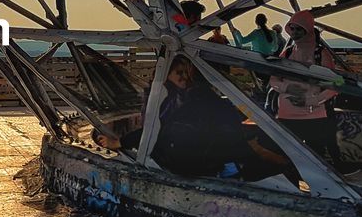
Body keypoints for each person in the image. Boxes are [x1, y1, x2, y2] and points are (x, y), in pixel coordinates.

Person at [97, 56, 289, 180]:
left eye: (185, 73)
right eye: (179, 73)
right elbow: (159, 128)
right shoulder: (173, 97)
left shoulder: (186, 98)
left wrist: (121, 142)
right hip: (199, 161)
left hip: (196, 161)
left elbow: (161, 129)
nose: (184, 77)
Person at [268, 11, 346, 168]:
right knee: (286, 154)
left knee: (316, 155)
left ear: (307, 30)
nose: (295, 32)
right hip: (288, 113)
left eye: (299, 29)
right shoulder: (288, 52)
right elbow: (273, 80)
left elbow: (335, 84)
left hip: (314, 114)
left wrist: (310, 100)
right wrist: (288, 87)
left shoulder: (321, 54)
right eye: (293, 28)